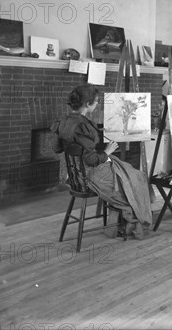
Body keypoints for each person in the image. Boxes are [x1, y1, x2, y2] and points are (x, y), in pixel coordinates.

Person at [51, 83, 152, 239]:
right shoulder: (83, 125)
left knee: (125, 169)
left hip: (73, 173)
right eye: (96, 101)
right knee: (133, 177)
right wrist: (107, 152)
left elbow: (58, 149)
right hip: (88, 175)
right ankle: (131, 220)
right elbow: (91, 160)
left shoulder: (63, 121)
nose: (97, 104)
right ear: (87, 104)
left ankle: (118, 224)